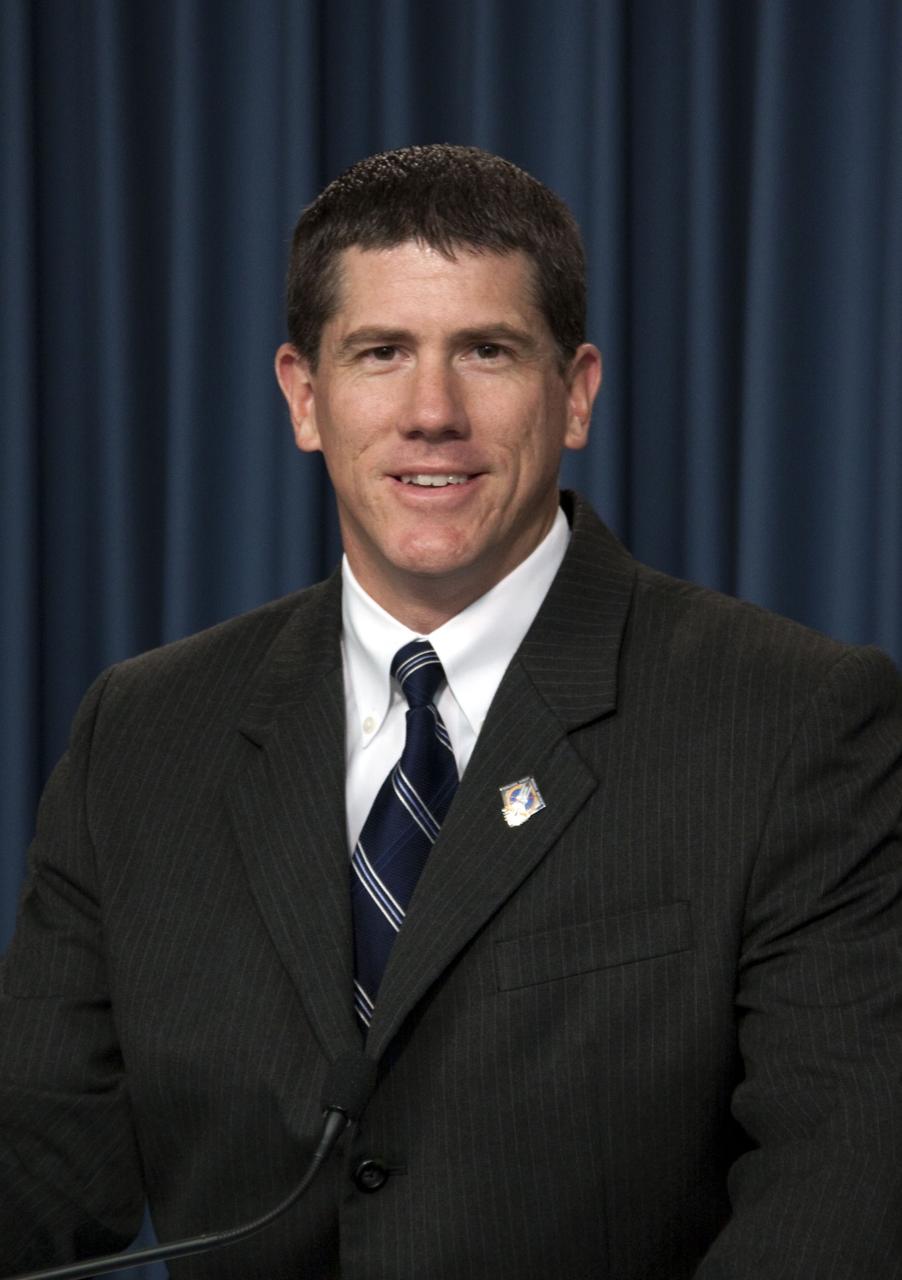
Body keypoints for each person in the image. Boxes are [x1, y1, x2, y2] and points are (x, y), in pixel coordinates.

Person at [1, 144, 901, 1280]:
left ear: (574, 393)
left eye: (485, 351)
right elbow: (36, 1155)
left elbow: (843, 1185)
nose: (432, 412)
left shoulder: (792, 719)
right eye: (380, 354)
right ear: (303, 397)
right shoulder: (141, 732)